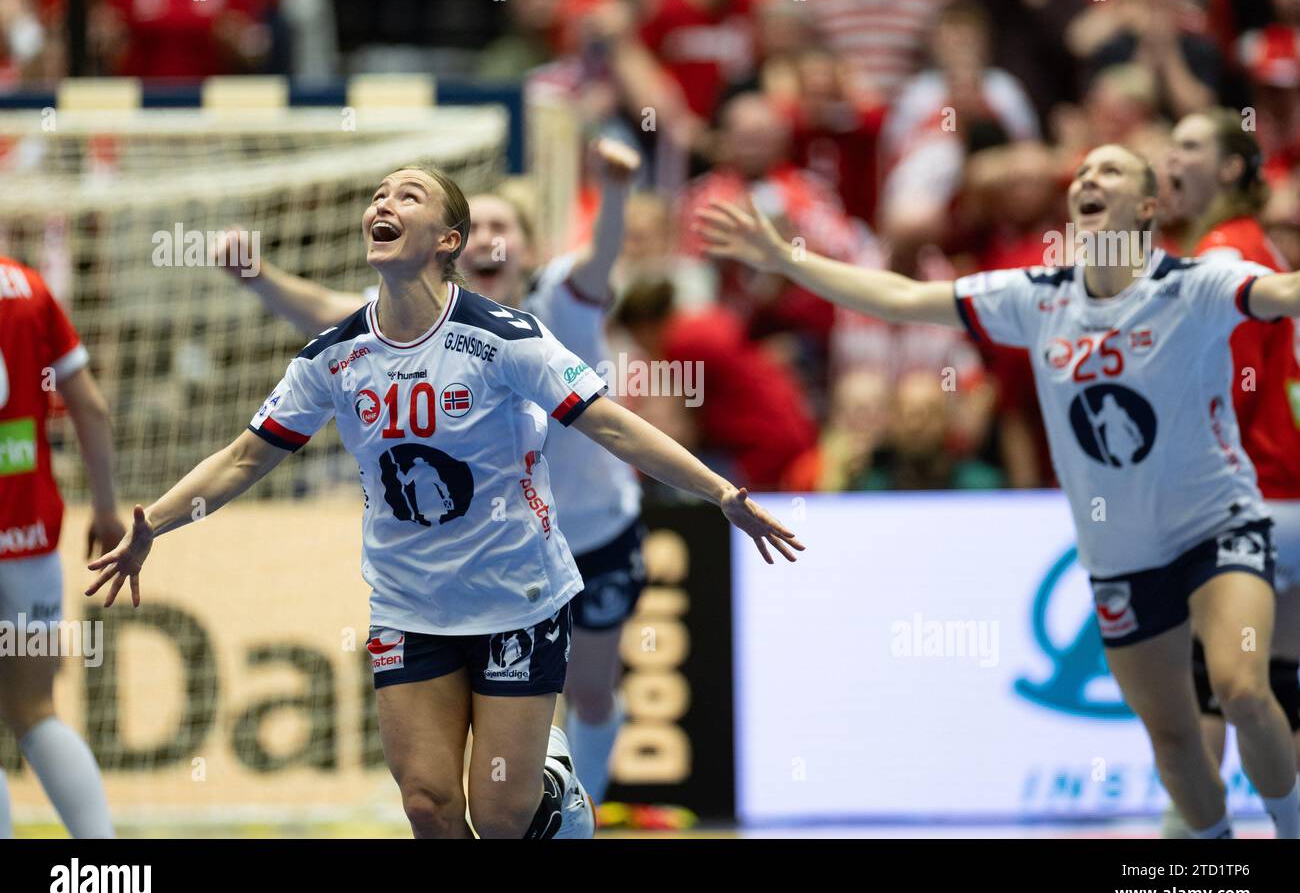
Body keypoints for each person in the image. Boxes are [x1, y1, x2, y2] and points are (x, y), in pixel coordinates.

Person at [87, 163, 801, 841]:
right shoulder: (335, 355)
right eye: (378, 196)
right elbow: (247, 455)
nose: (383, 206)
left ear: (447, 240)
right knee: (428, 806)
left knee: (499, 819)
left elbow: (610, 421)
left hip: (516, 595)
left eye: (408, 197)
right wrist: (157, 522)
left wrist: (720, 492)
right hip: (409, 603)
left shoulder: (503, 339)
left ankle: (557, 791)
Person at [695, 142, 1300, 838]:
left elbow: (1283, 294)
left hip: (1217, 524)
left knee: (1242, 689)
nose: (1088, 180)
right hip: (1122, 556)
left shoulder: (1191, 287)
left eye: (1110, 171)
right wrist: (787, 261)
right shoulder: (1038, 297)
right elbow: (904, 297)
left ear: (1149, 206)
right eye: (1081, 174)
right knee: (1172, 739)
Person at [217, 142, 654, 808]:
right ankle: (535, 803)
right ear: (455, 244)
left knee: (590, 692)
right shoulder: (416, 313)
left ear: (529, 251)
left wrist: (617, 190)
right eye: (482, 227)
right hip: (485, 558)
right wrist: (258, 277)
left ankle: (570, 805)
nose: (490, 240)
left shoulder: (559, 304)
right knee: (453, 787)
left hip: (591, 530)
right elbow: (325, 315)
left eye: (506, 228)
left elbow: (602, 256)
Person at [1162, 108, 1300, 835]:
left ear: (1231, 170)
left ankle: (1191, 849)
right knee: (1280, 681)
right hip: (1288, 491)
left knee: (1206, 685)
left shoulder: (1219, 256)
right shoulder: (1259, 248)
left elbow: (1228, 384)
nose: (1168, 160)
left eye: (1186, 146)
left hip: (1248, 496)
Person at [0, 255, 122, 839]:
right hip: (29, 541)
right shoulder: (28, 287)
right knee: (35, 713)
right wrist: (104, 508)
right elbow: (91, 408)